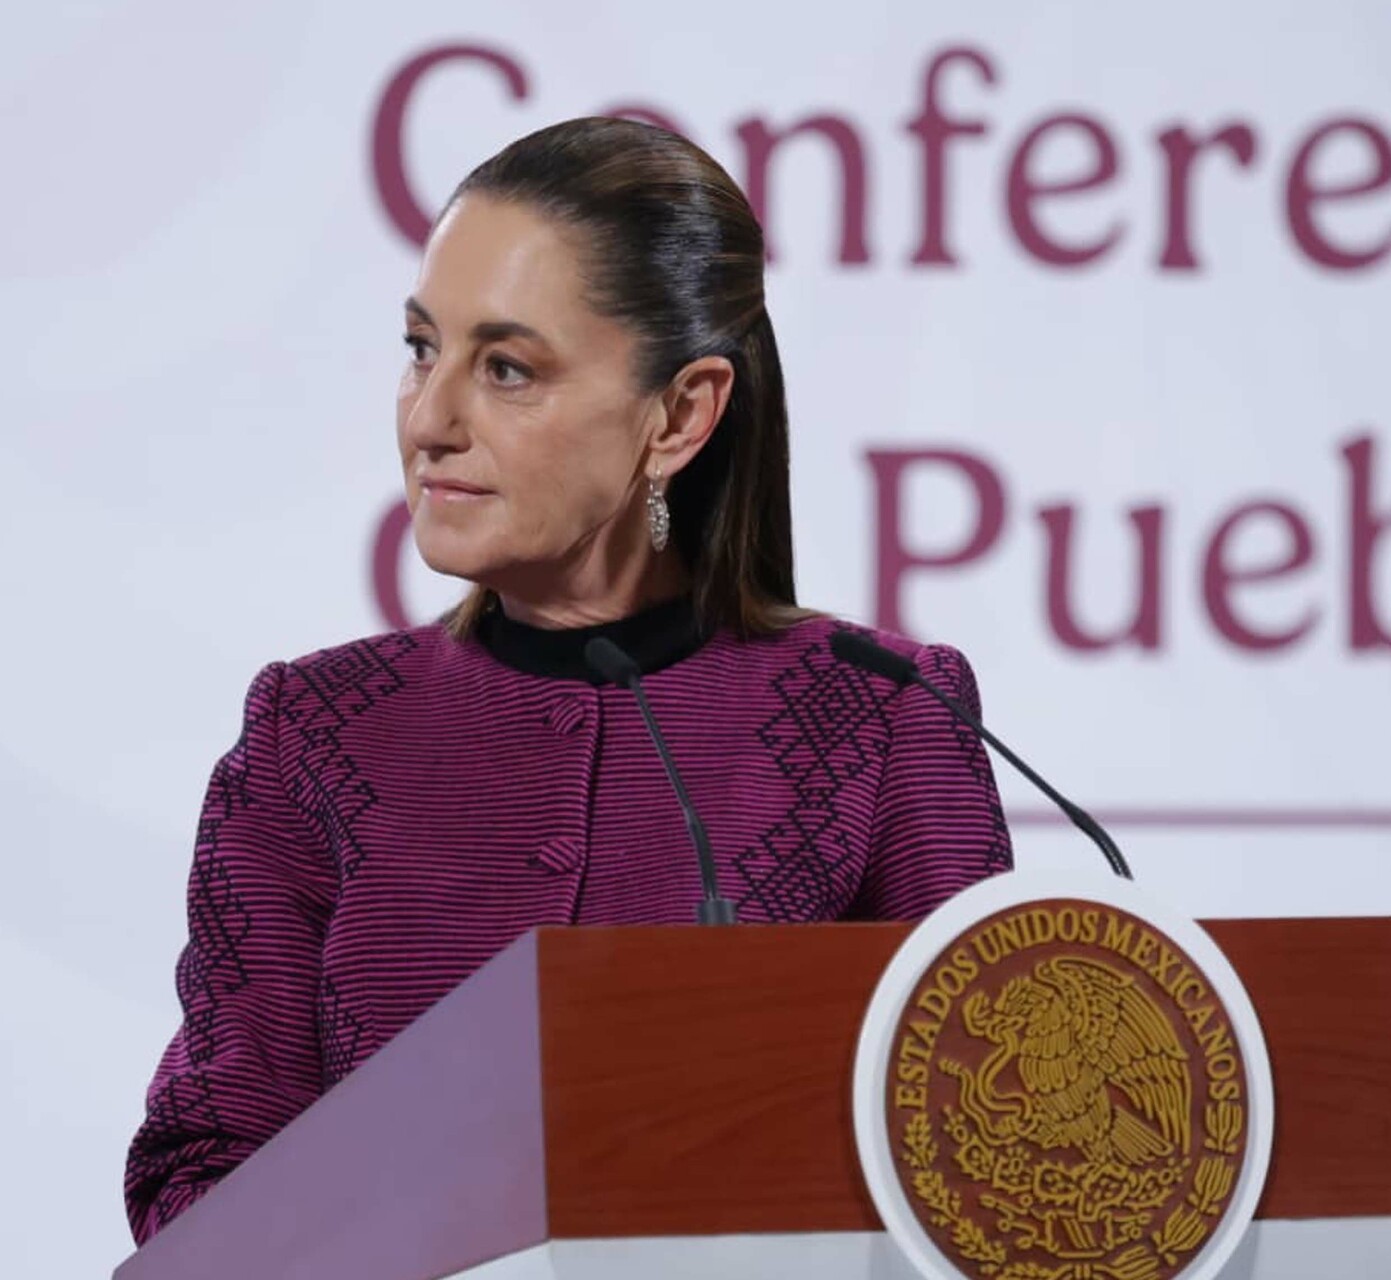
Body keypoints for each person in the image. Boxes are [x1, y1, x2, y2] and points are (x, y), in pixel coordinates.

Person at [122, 117, 1012, 1243]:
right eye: (420, 349)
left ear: (679, 415)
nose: (430, 420)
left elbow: (992, 1163)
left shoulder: (884, 715)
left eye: (507, 369)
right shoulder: (311, 734)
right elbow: (196, 1182)